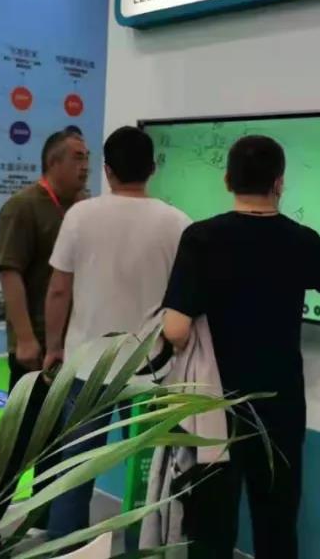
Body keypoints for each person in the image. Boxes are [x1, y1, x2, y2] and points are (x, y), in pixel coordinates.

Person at [162, 135, 320, 559]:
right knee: (277, 525)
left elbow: (175, 328)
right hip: (280, 407)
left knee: (210, 527)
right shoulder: (301, 239)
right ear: (279, 183)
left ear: (227, 180)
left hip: (214, 409)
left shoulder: (201, 238)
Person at [42, 126, 191, 540]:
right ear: (153, 168)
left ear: (106, 170)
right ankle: (142, 547)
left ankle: (64, 548)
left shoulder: (79, 216)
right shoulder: (178, 223)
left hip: (86, 367)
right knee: (146, 475)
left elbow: (58, 290)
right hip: (150, 369)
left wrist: (53, 348)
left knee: (74, 467)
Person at [0, 128, 89, 556]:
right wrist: (24, 338)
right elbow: (10, 273)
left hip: (72, 348)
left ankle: (44, 513)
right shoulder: (23, 207)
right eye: (77, 157)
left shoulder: (82, 209)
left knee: (57, 437)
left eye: (88, 157)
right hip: (34, 348)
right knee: (18, 442)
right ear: (53, 162)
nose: (85, 166)